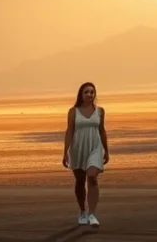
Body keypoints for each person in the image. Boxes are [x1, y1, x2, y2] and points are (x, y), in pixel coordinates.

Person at [62, 81, 109, 227]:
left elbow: (102, 130)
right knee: (80, 181)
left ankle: (92, 214)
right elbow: (69, 131)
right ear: (81, 95)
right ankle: (83, 211)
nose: (90, 94)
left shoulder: (100, 111)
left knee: (92, 177)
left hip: (95, 147)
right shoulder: (73, 112)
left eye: (92, 92)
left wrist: (106, 150)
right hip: (78, 148)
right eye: (87, 92)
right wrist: (65, 152)